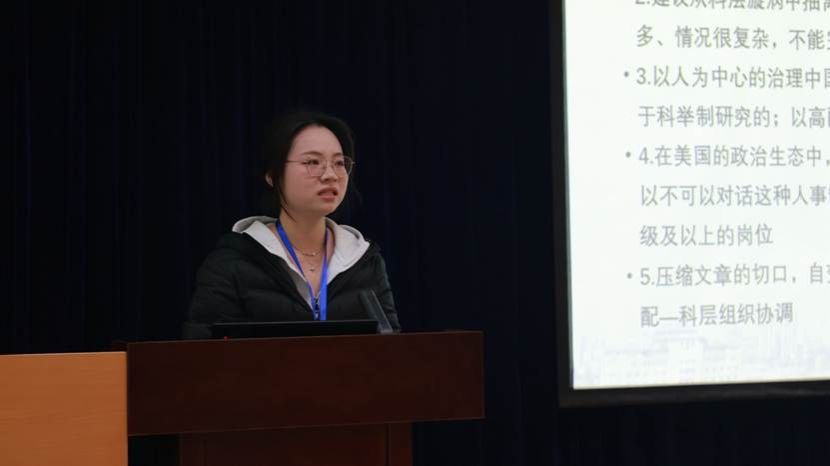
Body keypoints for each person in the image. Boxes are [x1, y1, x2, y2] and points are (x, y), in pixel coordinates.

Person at [184, 111, 399, 338]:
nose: (330, 175)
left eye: (339, 163)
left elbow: (392, 350)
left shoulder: (366, 262)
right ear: (272, 174)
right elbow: (203, 352)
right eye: (312, 162)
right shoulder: (230, 262)